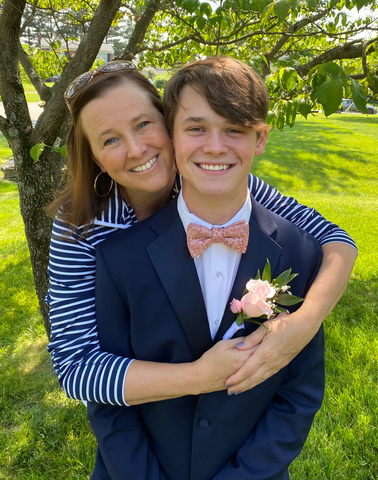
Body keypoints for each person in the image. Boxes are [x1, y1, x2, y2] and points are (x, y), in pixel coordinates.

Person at [46, 60, 357, 408]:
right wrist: (200, 376)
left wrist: (306, 320)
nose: (136, 150)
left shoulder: (207, 177)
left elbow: (335, 240)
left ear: (168, 124)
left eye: (144, 124)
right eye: (111, 139)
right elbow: (75, 366)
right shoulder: (81, 225)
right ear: (97, 159)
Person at [89, 56, 331, 479]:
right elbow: (109, 403)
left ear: (260, 139)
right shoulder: (117, 259)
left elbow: (298, 395)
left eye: (234, 129)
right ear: (173, 136)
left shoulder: (302, 254)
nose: (215, 147)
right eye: (196, 128)